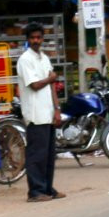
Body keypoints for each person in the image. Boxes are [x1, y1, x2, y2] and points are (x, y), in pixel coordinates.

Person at [17, 24, 64, 201]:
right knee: (37, 155)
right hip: (35, 115)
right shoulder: (25, 59)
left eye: (38, 37)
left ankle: (47, 188)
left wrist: (57, 109)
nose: (36, 41)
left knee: (49, 155)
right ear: (28, 40)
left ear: (42, 38)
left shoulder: (44, 58)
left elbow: (51, 86)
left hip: (48, 113)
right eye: (32, 38)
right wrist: (50, 78)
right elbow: (35, 85)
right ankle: (35, 191)